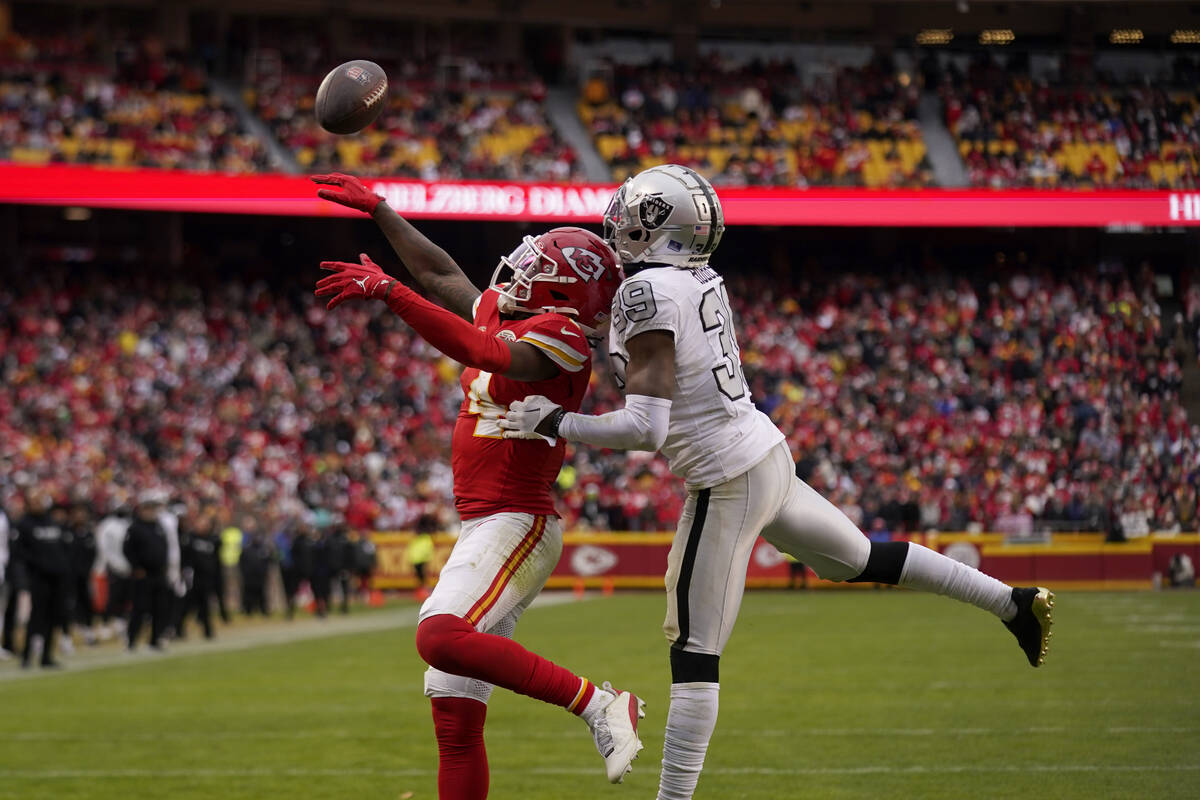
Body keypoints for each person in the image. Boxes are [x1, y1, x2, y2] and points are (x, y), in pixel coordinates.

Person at [500, 163, 1056, 800]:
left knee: (694, 650)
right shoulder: (694, 278)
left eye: (637, 211)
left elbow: (646, 430)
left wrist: (557, 422)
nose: (622, 217)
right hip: (764, 454)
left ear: (657, 225)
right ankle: (1013, 603)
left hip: (725, 477)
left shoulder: (647, 293)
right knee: (862, 560)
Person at [314, 171, 645, 796]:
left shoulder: (564, 336)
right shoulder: (520, 311)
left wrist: (390, 294)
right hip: (485, 519)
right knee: (453, 707)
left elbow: (486, 353)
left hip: (517, 517)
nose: (516, 273)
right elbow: (442, 276)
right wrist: (382, 210)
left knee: (439, 637)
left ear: (564, 291)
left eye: (535, 268)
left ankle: (597, 704)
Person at [14, 491, 70, 669]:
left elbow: (62, 549)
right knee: (36, 618)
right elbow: (20, 553)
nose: (38, 504)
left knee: (53, 618)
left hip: (57, 578)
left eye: (40, 501)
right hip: (38, 578)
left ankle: (46, 656)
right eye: (34, 501)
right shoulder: (24, 524)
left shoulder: (52, 522)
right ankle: (26, 657)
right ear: (28, 504)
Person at [124, 491, 172, 651]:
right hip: (143, 574)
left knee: (160, 608)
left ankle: (155, 639)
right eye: (148, 509)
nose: (151, 512)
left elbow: (164, 548)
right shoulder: (135, 528)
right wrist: (136, 567)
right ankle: (132, 640)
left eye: (153, 509)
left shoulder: (158, 527)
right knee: (139, 608)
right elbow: (127, 550)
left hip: (158, 573)